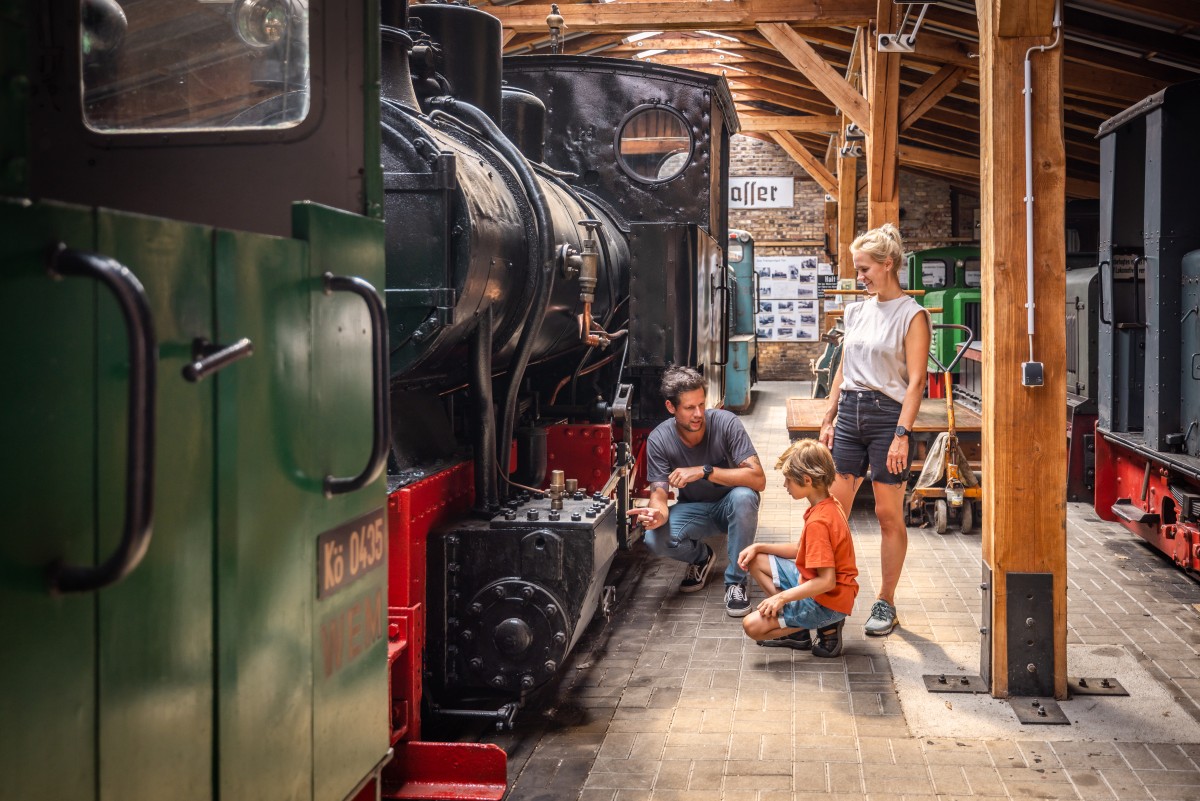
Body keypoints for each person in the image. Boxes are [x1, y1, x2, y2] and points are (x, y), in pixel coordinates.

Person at [819, 223, 930, 637]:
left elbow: (916, 382)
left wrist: (902, 434)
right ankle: (830, 593)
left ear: (888, 265)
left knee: (887, 516)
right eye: (857, 269)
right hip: (850, 413)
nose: (859, 277)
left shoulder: (912, 315)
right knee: (833, 511)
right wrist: (829, 416)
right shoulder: (856, 310)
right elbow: (844, 366)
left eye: (864, 269)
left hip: (888, 418)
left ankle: (886, 601)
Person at [629, 366, 766, 616]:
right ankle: (701, 557)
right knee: (654, 538)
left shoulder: (726, 423)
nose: (699, 413)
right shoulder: (659, 438)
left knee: (745, 496)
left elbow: (758, 479)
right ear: (671, 408)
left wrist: (704, 470)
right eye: (689, 408)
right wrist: (657, 514)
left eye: (702, 404)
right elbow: (659, 493)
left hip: (731, 505)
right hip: (695, 510)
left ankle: (736, 583)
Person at [737, 439, 858, 656]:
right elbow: (802, 549)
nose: (785, 486)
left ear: (807, 480)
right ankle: (793, 627)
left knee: (751, 626)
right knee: (755, 558)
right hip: (819, 587)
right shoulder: (828, 504)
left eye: (788, 480)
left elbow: (827, 580)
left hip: (828, 601)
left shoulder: (819, 522)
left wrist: (781, 597)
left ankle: (818, 625)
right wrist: (758, 546)